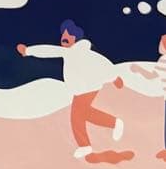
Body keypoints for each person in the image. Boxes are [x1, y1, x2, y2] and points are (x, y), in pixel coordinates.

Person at [18, 19, 124, 159]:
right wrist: (114, 78)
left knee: (77, 116)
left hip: (87, 88)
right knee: (84, 113)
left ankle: (87, 144)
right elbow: (103, 63)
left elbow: (49, 50)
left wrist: (28, 51)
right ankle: (112, 124)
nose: (64, 38)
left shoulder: (73, 52)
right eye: (63, 35)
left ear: (76, 38)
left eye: (68, 35)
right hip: (85, 88)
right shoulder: (77, 52)